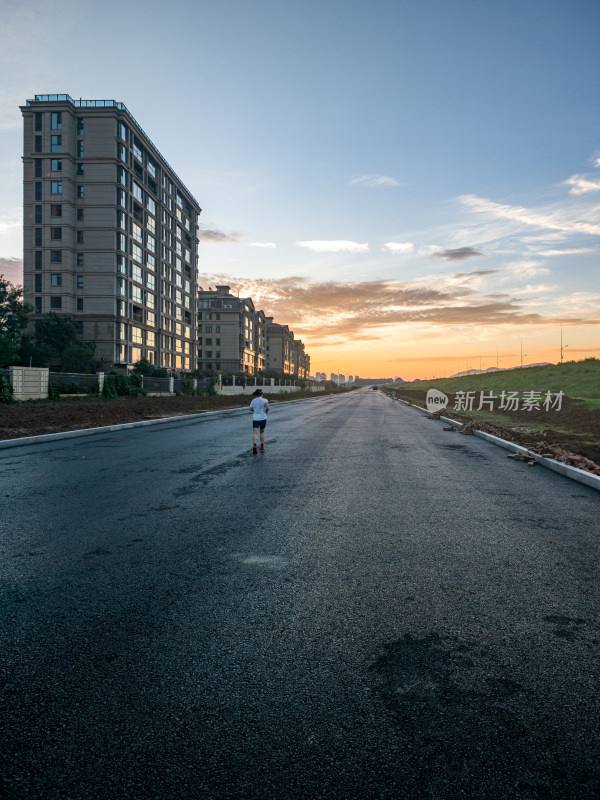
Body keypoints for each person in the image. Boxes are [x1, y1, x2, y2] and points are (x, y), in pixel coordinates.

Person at [250, 388, 269, 453]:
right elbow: (267, 408)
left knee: (255, 432)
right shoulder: (265, 400)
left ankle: (255, 445)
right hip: (263, 418)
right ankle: (262, 445)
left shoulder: (253, 400)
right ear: (262, 394)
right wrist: (265, 412)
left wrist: (255, 410)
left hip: (255, 418)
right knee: (262, 432)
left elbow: (250, 409)